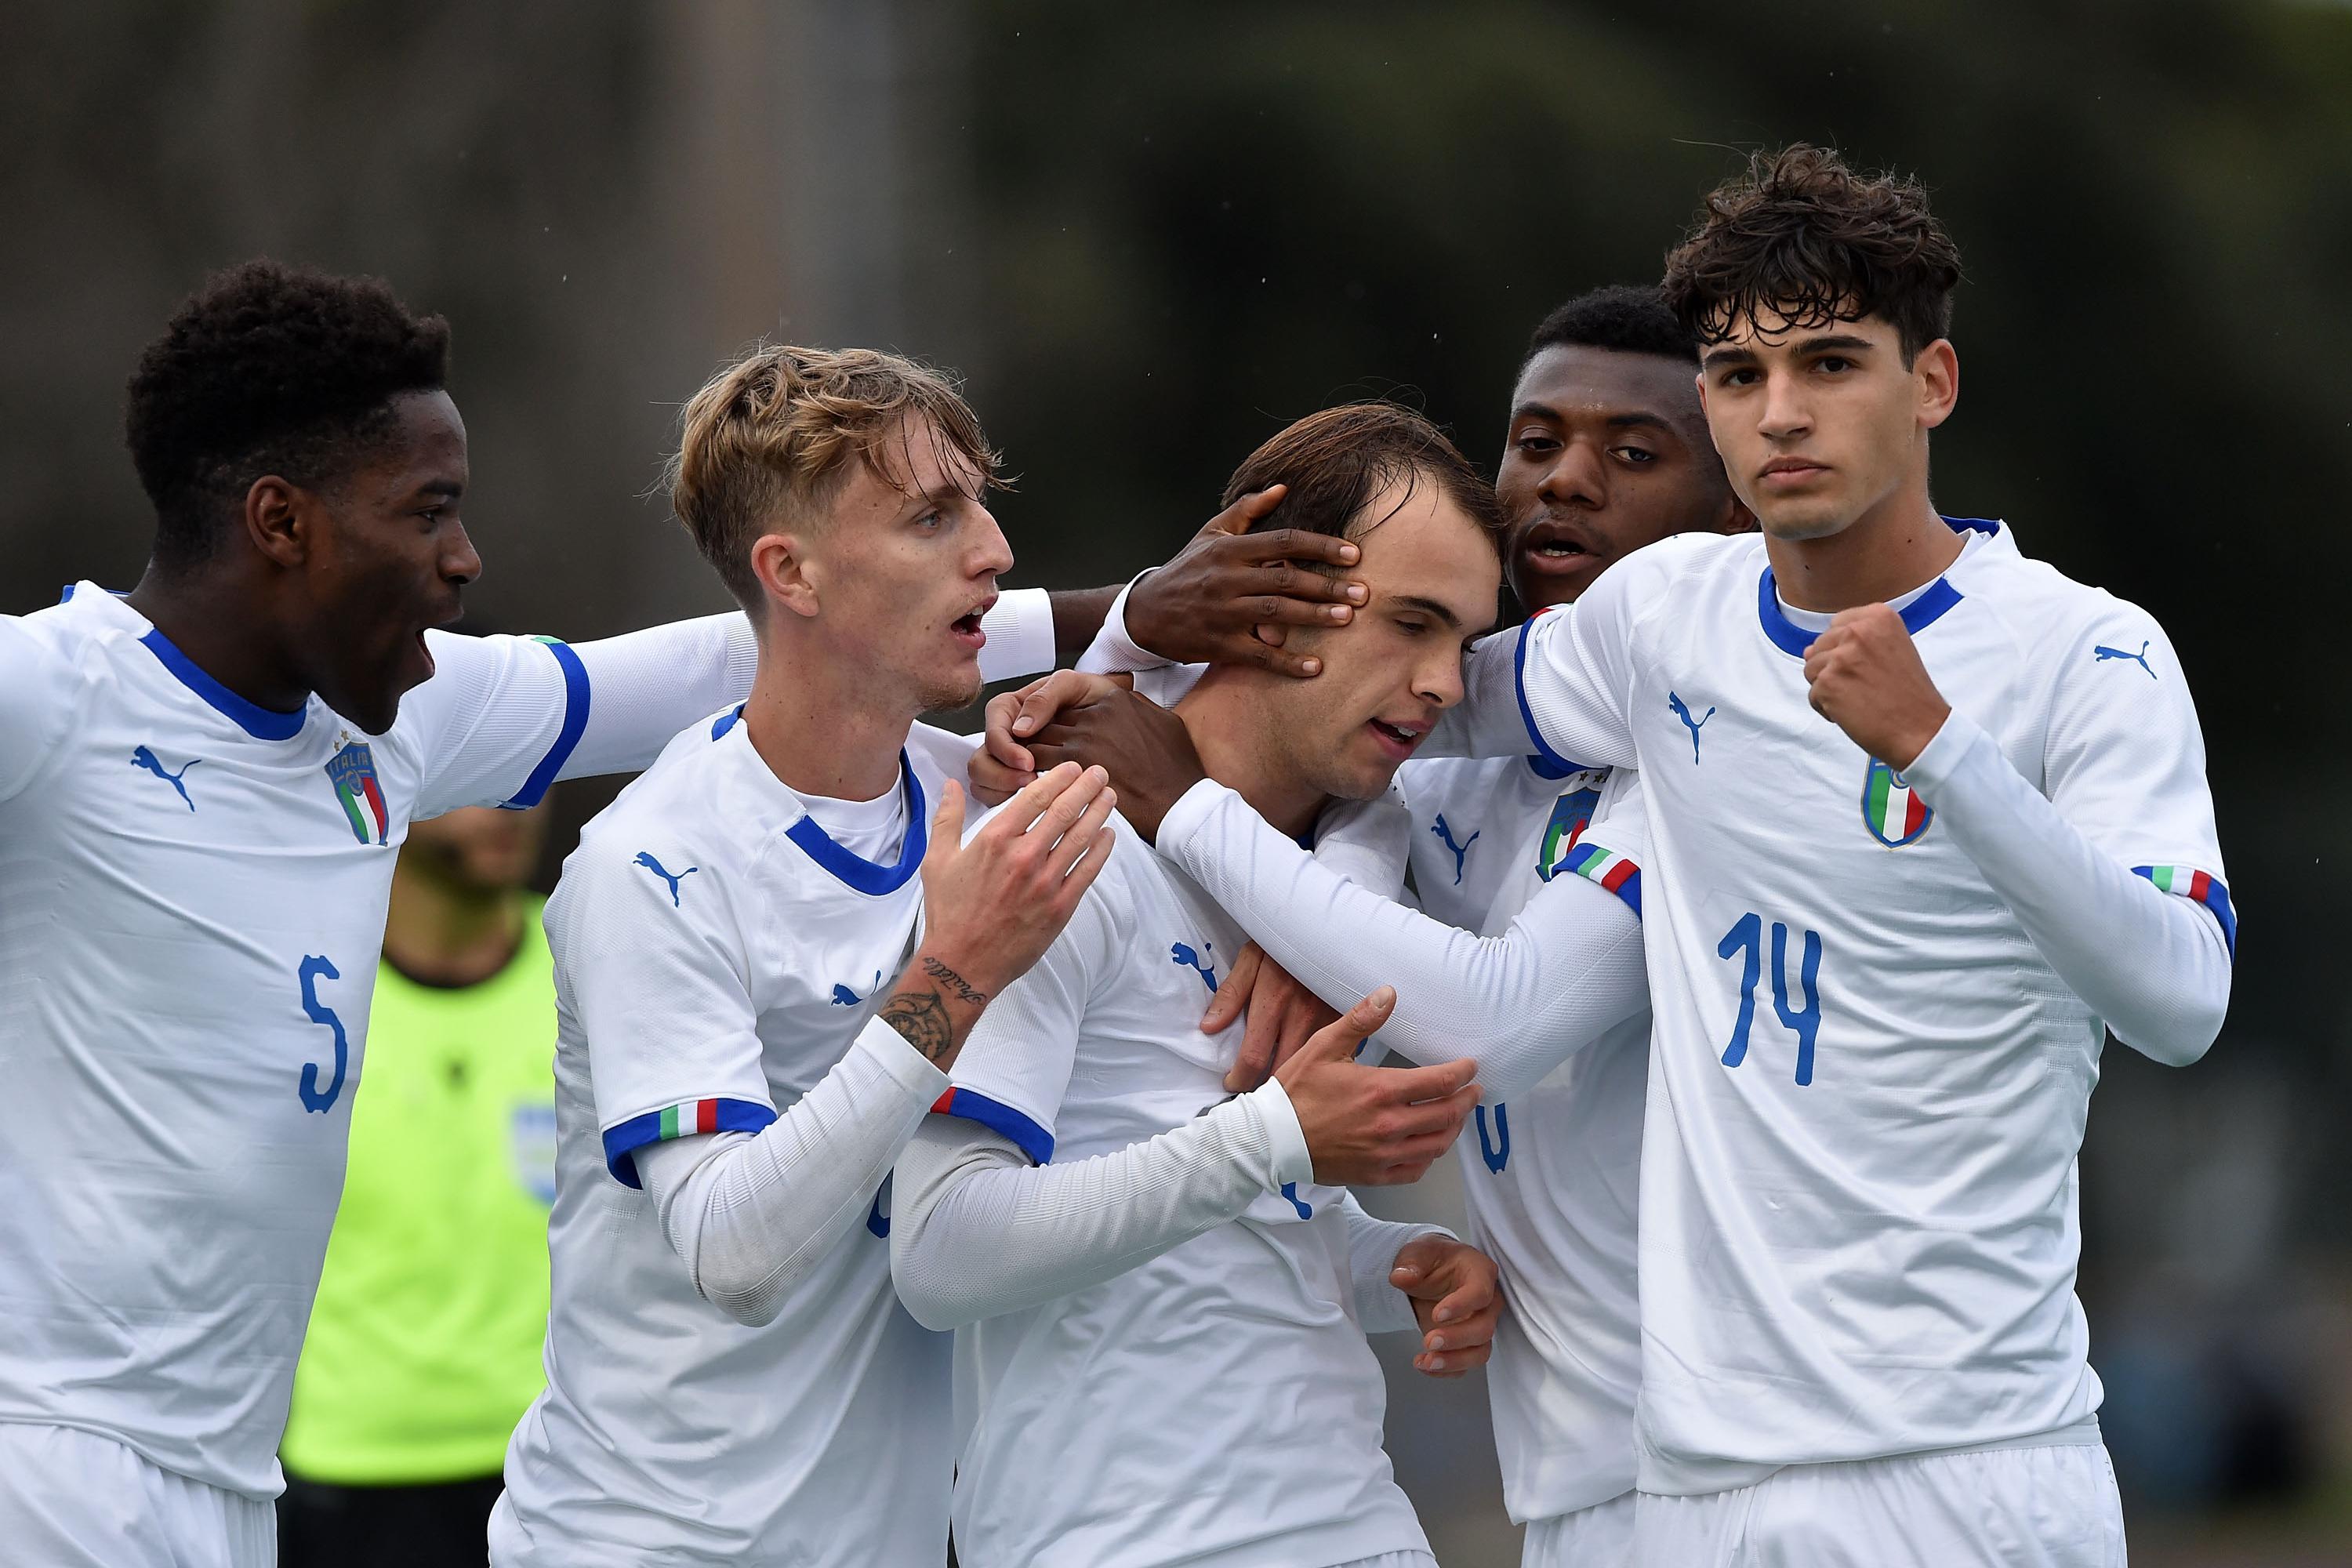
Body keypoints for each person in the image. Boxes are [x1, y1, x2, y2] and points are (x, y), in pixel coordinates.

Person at [0, 260, 1356, 1568]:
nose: (467, 558)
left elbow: (733, 650)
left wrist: (1123, 617)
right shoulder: (57, 695)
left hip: (226, 1475)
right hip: (51, 1457)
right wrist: (952, 976)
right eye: (428, 511)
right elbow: (737, 1247)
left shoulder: (393, 726)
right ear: (282, 524)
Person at [1034, 147, 2233, 1566]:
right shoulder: (1668, 614)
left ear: (1934, 385)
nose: (1780, 413)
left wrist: (1943, 754)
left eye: (1832, 364)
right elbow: (1359, 696)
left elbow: (2182, 1000)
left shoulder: (2084, 652)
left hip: (1963, 1459)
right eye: (1738, 376)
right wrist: (1112, 657)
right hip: (1691, 1482)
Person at [485, 354, 1448, 1565]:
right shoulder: (654, 864)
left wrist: (1323, 911)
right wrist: (950, 976)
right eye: (932, 518)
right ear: (792, 574)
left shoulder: (981, 793)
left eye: (982, 504)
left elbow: (1336, 783)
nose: (992, 550)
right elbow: (732, 1255)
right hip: (645, 1545)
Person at [982, 285, 1753, 1567]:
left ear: (1728, 517)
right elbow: (1327, 735)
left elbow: (1487, 1024)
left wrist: (1201, 821)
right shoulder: (1416, 746)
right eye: (1536, 439)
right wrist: (1136, 660)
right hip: (1560, 1471)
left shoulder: (1712, 758)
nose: (1564, 483)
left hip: (1755, 1453)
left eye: (1633, 453)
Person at [891, 402, 1512, 1568]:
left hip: (1360, 1533)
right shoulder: (1056, 853)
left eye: (1464, 647)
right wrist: (1273, 1136)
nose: (1440, 686)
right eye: (1413, 623)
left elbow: (1236, 1223)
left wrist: (1390, 1263)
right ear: (1264, 591)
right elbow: (943, 1254)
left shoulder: (1331, 897)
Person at [278, 790, 561, 1566]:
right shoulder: (304, 991)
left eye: (532, 772)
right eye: (482, 768)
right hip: (353, 1478)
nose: (513, 802)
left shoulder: (597, 965)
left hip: (567, 1467)